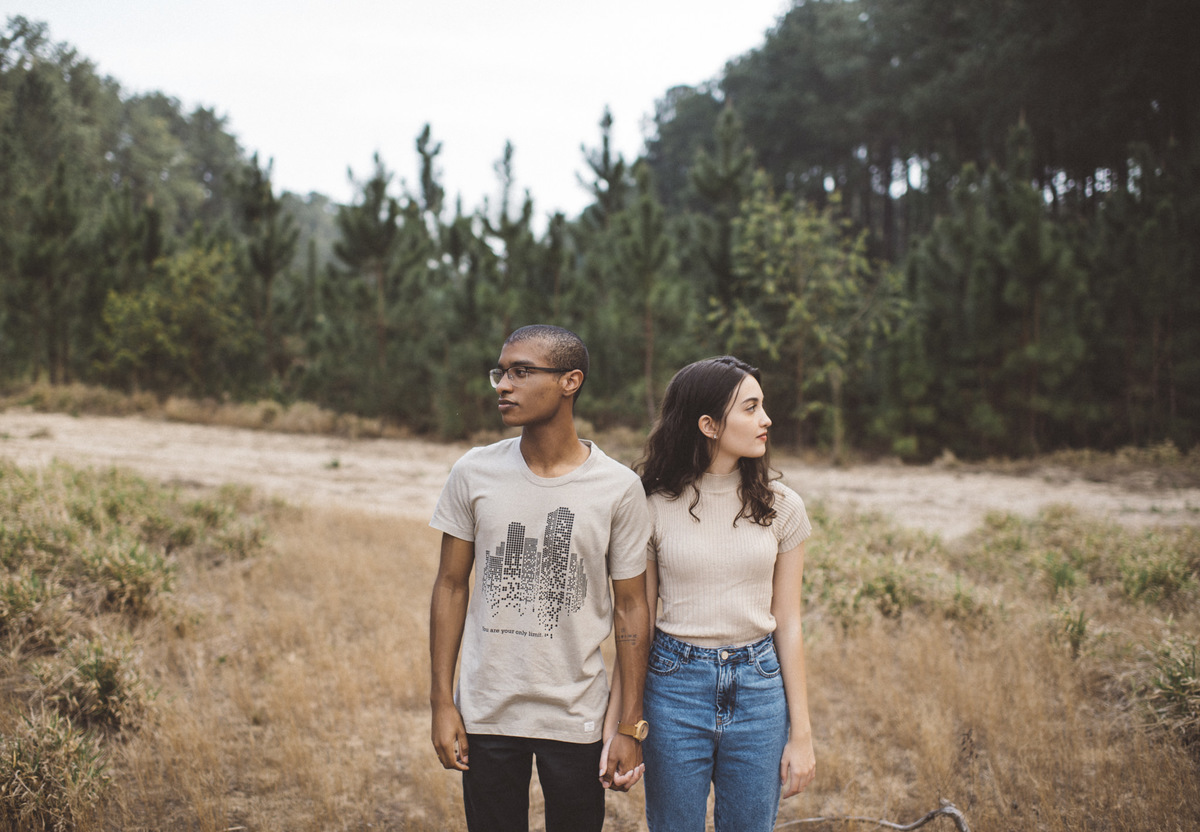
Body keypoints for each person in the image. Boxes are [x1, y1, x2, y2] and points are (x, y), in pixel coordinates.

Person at [429, 324, 653, 832]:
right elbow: (450, 585)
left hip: (576, 715)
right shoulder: (473, 472)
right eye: (500, 372)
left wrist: (629, 726)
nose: (503, 386)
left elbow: (632, 607)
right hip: (487, 710)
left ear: (570, 381)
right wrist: (443, 702)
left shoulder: (618, 488)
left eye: (521, 372)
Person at [637, 355, 816, 831]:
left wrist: (802, 734)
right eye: (751, 408)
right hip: (673, 688)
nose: (766, 420)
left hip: (759, 689)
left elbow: (790, 624)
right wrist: (628, 722)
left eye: (763, 407)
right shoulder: (653, 506)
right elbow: (638, 620)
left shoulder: (783, 507)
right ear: (708, 424)